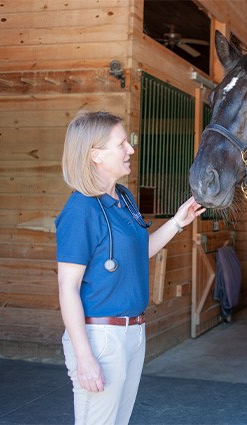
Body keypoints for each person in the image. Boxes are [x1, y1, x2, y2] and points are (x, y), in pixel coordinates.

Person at [55, 111, 205, 425]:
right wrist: (85, 357)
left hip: (133, 332)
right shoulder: (80, 210)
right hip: (100, 336)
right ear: (95, 155)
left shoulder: (123, 197)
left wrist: (178, 222)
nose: (131, 150)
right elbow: (68, 288)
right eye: (122, 144)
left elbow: (139, 251)